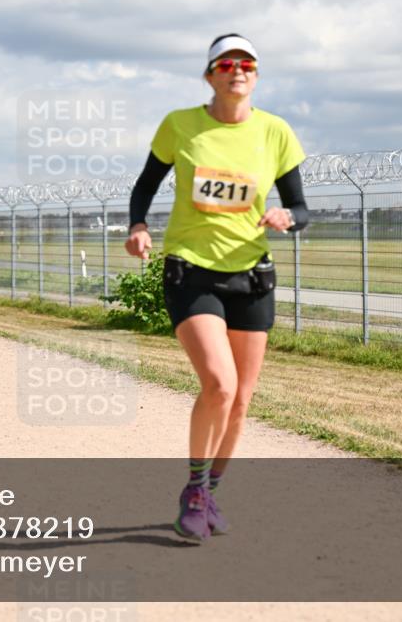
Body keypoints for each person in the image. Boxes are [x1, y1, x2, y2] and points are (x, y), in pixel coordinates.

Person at [125, 34, 309, 542]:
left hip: (251, 276)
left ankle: (210, 493)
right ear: (210, 75)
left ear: (256, 74)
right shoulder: (181, 125)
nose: (237, 70)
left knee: (242, 399)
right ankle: (193, 488)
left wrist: (286, 216)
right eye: (226, 64)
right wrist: (138, 226)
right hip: (192, 271)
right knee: (220, 385)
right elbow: (146, 184)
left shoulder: (276, 132)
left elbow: (302, 207)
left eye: (246, 63)